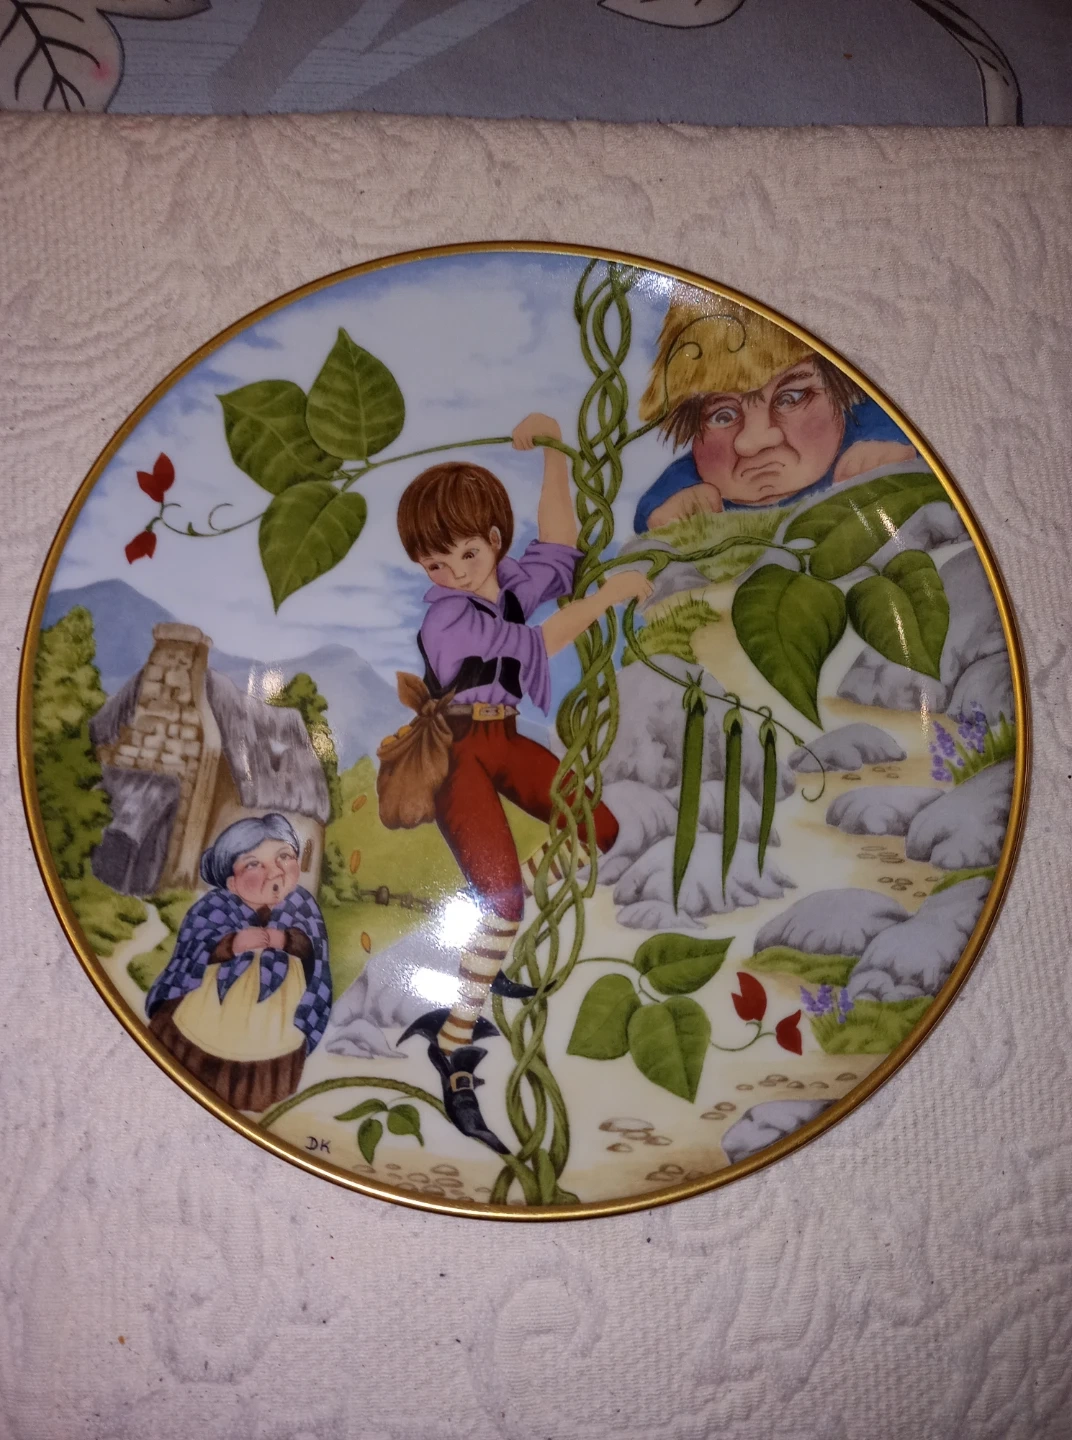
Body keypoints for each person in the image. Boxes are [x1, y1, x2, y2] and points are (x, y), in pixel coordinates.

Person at [392, 413, 652, 1152]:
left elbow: (558, 550)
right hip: (459, 755)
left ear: (492, 541)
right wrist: (608, 599)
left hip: (504, 740)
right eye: (434, 564)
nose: (453, 574)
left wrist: (552, 455)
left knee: (597, 827)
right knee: (502, 900)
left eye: (467, 554)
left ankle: (497, 933)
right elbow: (538, 641)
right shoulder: (447, 620)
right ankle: (453, 1043)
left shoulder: (503, 582)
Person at [633, 291, 917, 534]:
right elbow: (670, 492)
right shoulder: (695, 481)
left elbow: (882, 416)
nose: (753, 442)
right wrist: (666, 506)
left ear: (840, 390)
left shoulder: (863, 435)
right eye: (723, 416)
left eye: (791, 398)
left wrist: (887, 437)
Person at [146, 814, 331, 1114]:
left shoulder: (303, 906)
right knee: (202, 1040)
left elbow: (314, 953)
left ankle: (258, 1097)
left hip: (277, 1009)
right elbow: (194, 947)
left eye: (284, 856)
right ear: (232, 882)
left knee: (269, 1042)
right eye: (254, 864)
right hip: (212, 1003)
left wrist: (286, 940)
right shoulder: (213, 907)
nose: (275, 871)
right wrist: (231, 944)